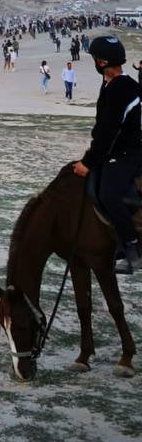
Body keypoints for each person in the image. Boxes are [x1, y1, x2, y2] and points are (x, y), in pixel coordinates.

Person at [73, 36, 142, 274]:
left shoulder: (121, 89)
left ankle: (131, 250)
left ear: (101, 61)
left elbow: (109, 132)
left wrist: (88, 161)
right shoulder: (111, 83)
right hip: (119, 148)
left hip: (127, 152)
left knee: (109, 194)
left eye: (94, 58)